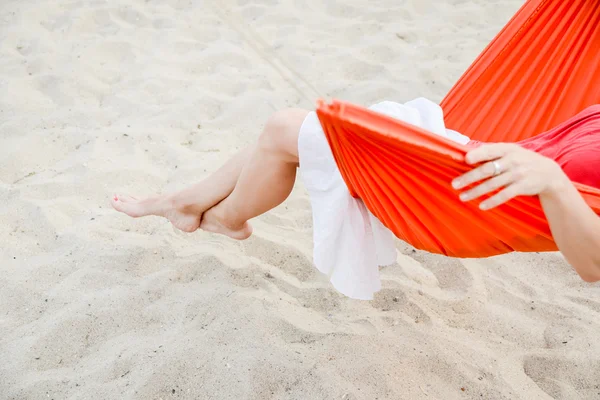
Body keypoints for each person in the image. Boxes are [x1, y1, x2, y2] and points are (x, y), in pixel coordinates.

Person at [112, 98, 600, 298]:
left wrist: (553, 181)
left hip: (465, 200)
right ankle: (185, 203)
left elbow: (594, 265)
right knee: (310, 132)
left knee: (289, 129)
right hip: (465, 156)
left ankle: (225, 216)